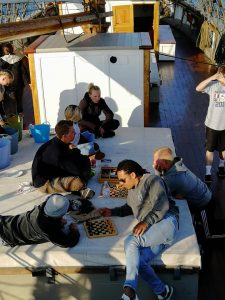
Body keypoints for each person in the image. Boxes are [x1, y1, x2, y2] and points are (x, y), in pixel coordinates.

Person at [100, 159, 178, 300]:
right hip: (156, 236)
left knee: (131, 241)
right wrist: (113, 212)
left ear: (133, 175)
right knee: (137, 261)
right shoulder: (131, 189)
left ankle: (129, 289)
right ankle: (163, 292)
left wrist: (145, 223)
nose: (120, 184)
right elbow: (130, 207)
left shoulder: (152, 181)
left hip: (166, 222)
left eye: (123, 180)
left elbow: (162, 206)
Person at [32, 120, 92, 194]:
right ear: (64, 136)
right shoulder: (57, 152)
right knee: (78, 182)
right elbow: (77, 171)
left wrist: (76, 153)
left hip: (53, 172)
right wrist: (84, 161)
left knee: (83, 164)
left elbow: (77, 157)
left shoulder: (60, 142)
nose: (75, 133)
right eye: (72, 132)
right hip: (44, 183)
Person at [0, 193, 80, 248]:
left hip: (5, 221)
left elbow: (55, 199)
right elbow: (67, 242)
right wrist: (74, 231)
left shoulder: (44, 205)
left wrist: (59, 221)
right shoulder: (47, 228)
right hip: (6, 237)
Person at [152, 147, 212, 211]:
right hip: (206, 192)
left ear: (165, 162)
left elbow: (157, 192)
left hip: (202, 202)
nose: (154, 163)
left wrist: (157, 171)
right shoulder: (177, 164)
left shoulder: (173, 178)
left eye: (156, 161)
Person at [196, 66, 225, 183]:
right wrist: (214, 77)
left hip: (224, 126)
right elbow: (198, 88)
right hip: (211, 125)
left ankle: (221, 167)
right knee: (210, 149)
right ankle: (208, 173)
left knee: (224, 149)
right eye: (221, 75)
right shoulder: (213, 86)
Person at [0, 43, 30, 114]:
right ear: (12, 49)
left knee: (10, 102)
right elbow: (24, 73)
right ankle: (20, 115)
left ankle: (12, 116)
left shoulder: (1, 61)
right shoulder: (18, 59)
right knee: (19, 101)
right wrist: (28, 82)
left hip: (7, 86)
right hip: (18, 84)